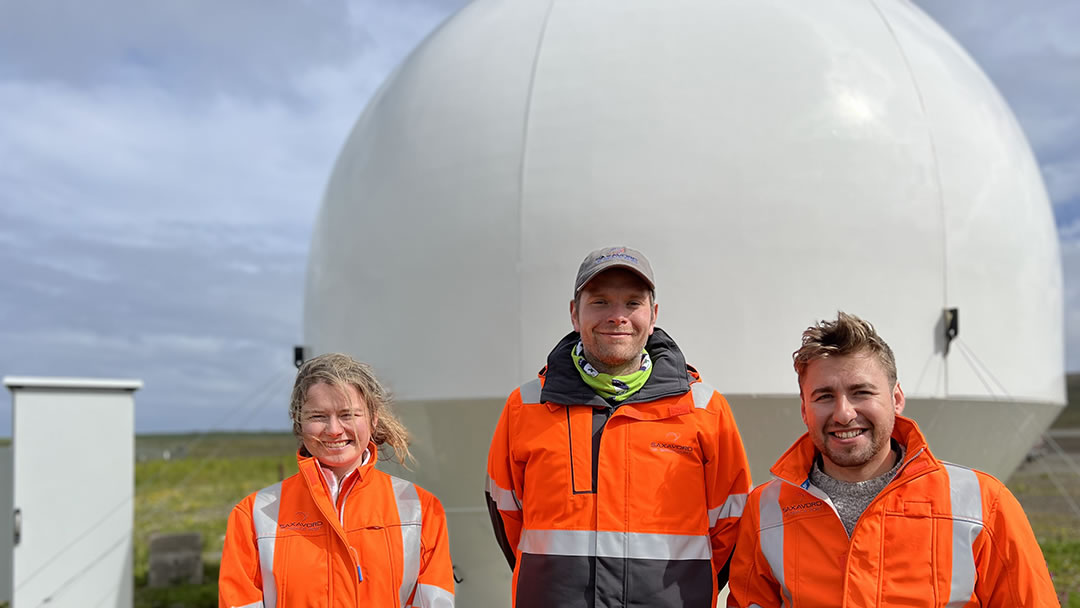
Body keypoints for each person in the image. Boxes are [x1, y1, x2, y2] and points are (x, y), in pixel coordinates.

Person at [727, 312, 1057, 607]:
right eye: (825, 396)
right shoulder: (766, 510)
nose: (843, 413)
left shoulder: (983, 505)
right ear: (804, 410)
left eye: (862, 392)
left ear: (896, 398)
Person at [485, 246, 752, 607]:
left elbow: (731, 526)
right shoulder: (527, 406)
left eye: (632, 303)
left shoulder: (703, 409)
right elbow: (508, 519)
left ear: (653, 314)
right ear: (574, 314)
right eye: (600, 302)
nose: (617, 316)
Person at [219, 353, 455, 608]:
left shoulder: (421, 509)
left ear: (373, 418)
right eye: (318, 416)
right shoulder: (253, 515)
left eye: (348, 415)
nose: (333, 429)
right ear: (299, 422)